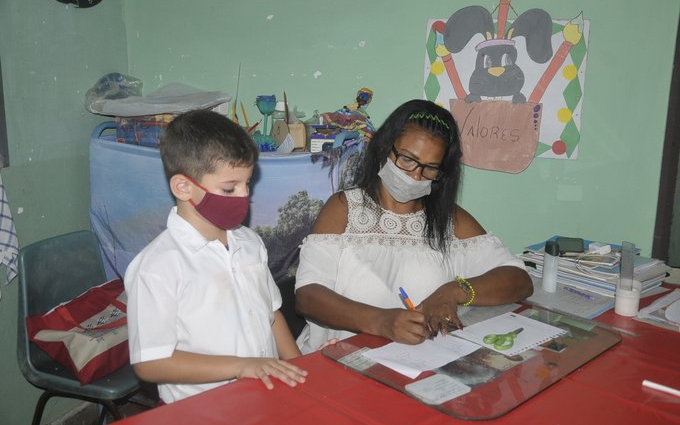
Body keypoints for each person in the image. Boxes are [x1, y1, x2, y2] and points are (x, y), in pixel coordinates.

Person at [295, 99, 533, 354]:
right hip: (340, 361)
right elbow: (308, 296)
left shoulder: (448, 220)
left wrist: (455, 291)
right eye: (408, 160)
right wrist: (381, 322)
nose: (416, 176)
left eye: (430, 169)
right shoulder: (344, 209)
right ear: (384, 148)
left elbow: (519, 280)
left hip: (417, 363)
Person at [124, 110, 307, 404]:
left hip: (264, 396)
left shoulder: (249, 243)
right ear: (184, 187)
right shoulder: (157, 267)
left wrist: (302, 368)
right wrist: (241, 366)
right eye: (229, 188)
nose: (244, 196)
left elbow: (271, 316)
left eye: (247, 184)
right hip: (199, 410)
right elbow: (150, 363)